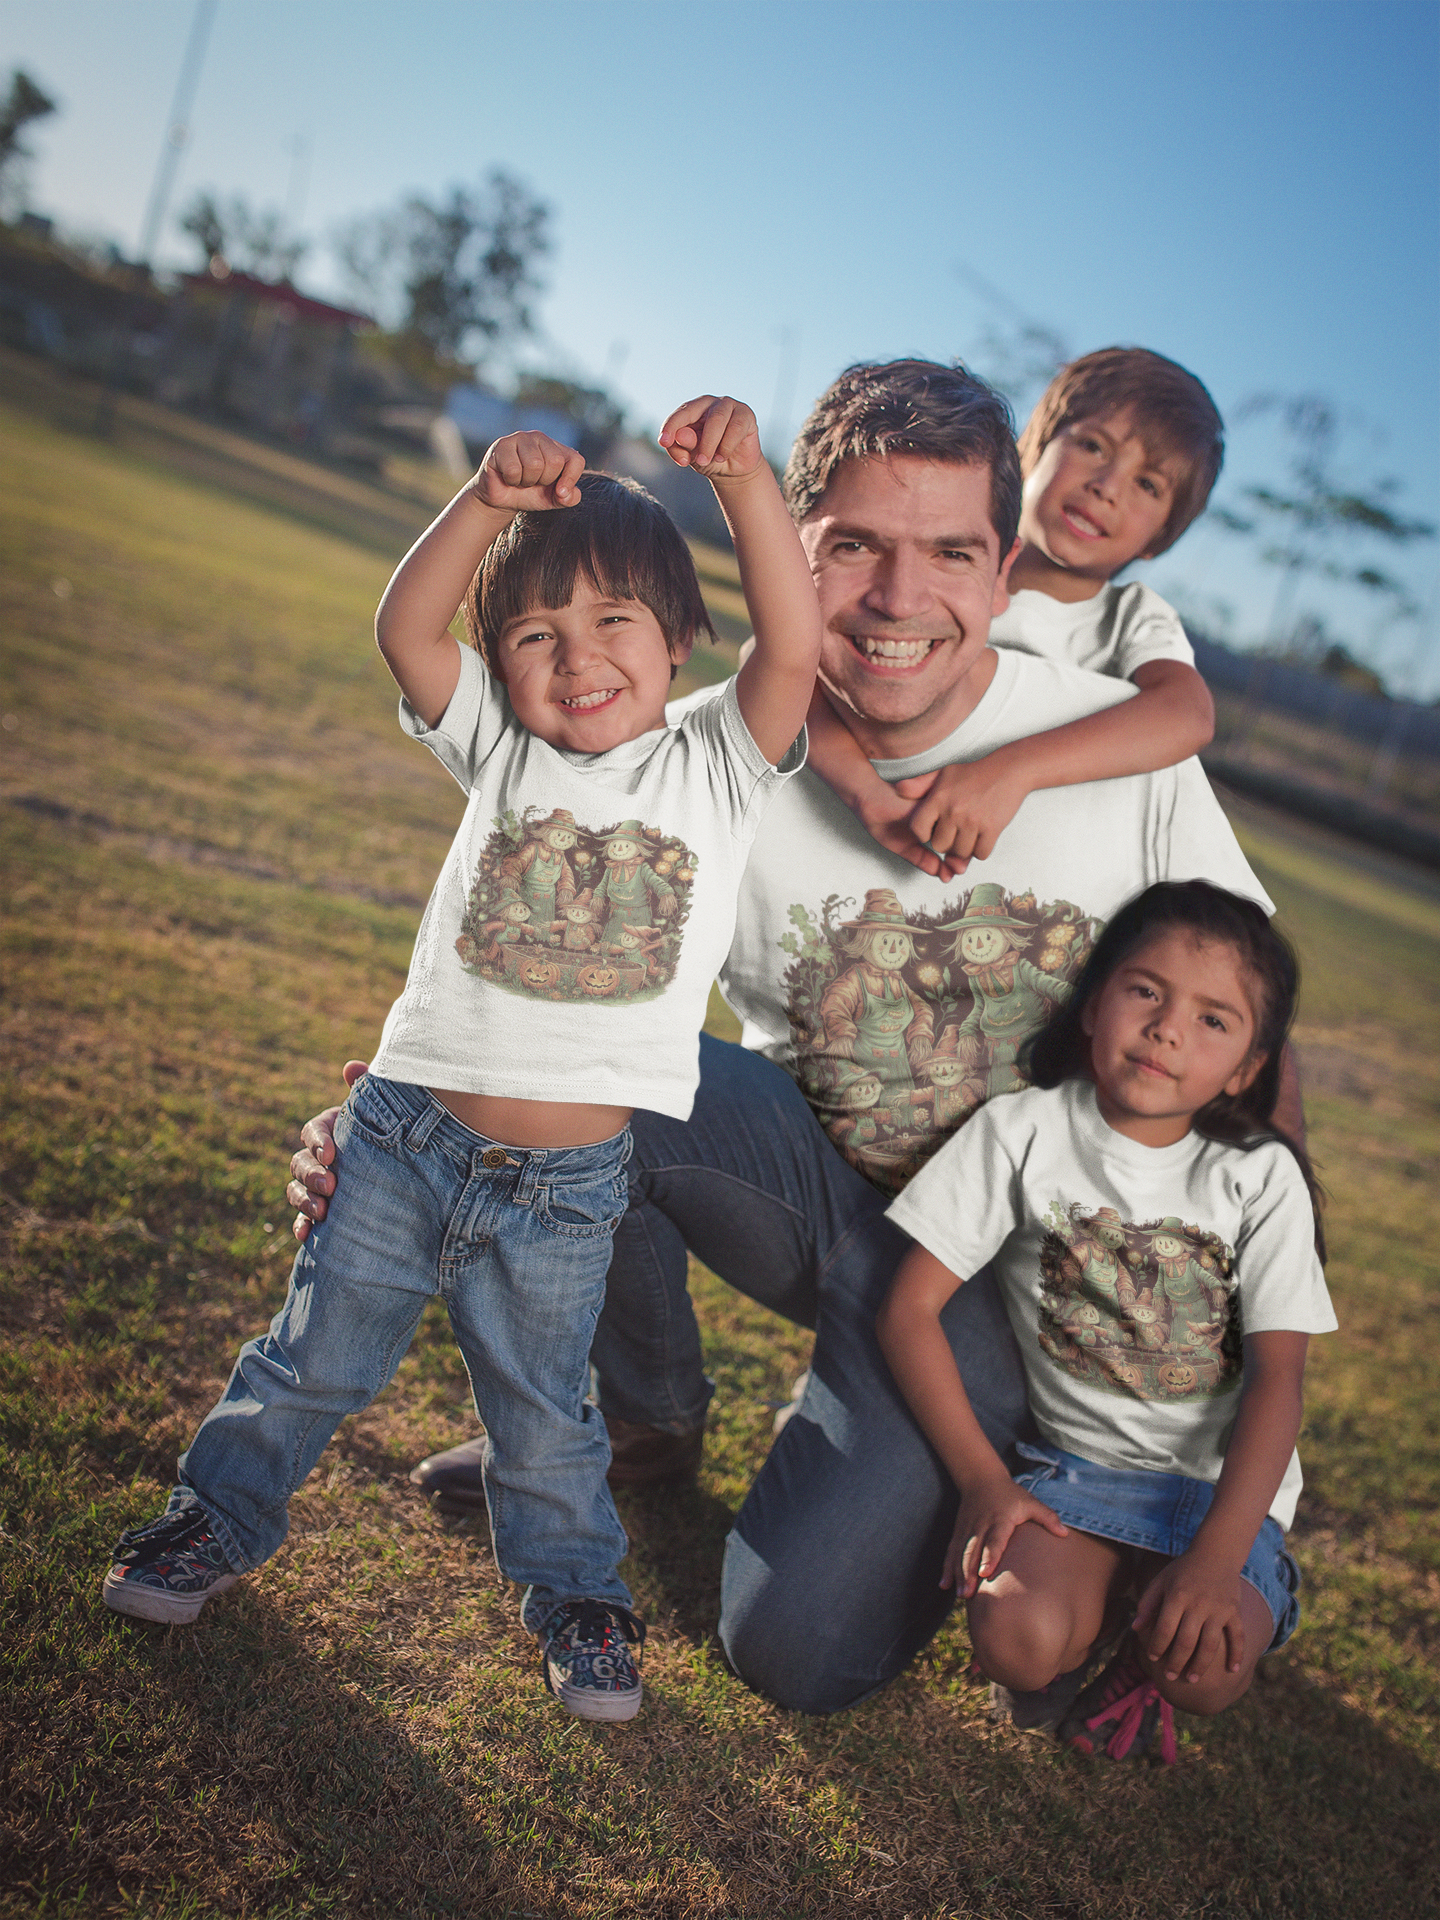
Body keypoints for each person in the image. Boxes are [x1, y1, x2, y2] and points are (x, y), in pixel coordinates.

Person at [290, 358, 1301, 1715]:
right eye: (852, 550)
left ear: (1004, 571)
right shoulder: (690, 757)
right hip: (820, 1192)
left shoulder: (1118, 752)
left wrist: (1233, 1350)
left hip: (1010, 1285)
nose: (896, 600)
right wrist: (391, 1115)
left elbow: (1259, 1054)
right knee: (610, 1087)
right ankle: (642, 1417)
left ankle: (1005, 1488)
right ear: (785, 551)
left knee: (793, 1650)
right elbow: (536, 970)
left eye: (947, 552)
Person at [102, 395, 820, 1725]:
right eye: (537, 634)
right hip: (403, 1140)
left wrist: (748, 490)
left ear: (679, 640)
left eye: (615, 624)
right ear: (502, 661)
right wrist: (486, 498)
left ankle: (576, 1600)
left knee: (546, 1419)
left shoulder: (716, 764)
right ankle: (210, 1521)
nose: (578, 656)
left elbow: (795, 642)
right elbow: (403, 629)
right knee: (309, 1360)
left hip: (567, 1188)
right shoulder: (501, 743)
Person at [878, 881, 1332, 1762]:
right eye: (1147, 990)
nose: (1167, 1027)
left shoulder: (1259, 1176)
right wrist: (983, 1480)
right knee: (1019, 1642)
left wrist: (1214, 1558)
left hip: (1217, 1497)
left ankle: (1149, 1630)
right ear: (1094, 1004)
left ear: (1246, 1068)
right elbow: (908, 1311)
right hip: (1078, 1478)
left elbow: (1280, 1379)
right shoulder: (1021, 1130)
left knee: (1203, 1672)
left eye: (1214, 1020)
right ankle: (1097, 1609)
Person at [803, 347, 1220, 880]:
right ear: (1034, 447)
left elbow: (1188, 714)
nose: (1107, 486)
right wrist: (866, 795)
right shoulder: (934, 586)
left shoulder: (1129, 618)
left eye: (1148, 484)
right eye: (1093, 446)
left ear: (1160, 539)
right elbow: (780, 666)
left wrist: (1009, 773)